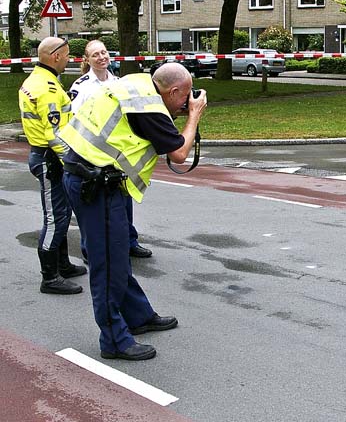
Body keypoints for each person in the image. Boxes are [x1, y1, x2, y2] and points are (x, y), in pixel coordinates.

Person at [59, 63, 207, 361]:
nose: (186, 102)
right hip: (96, 186)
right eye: (185, 97)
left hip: (88, 177)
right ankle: (114, 339)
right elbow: (179, 153)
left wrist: (181, 111)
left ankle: (138, 316)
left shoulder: (138, 83)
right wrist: (194, 116)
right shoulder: (150, 107)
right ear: (174, 91)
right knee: (108, 264)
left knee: (116, 256)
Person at [68, 40, 153, 260]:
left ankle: (129, 241)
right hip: (93, 154)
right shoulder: (82, 86)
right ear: (87, 60)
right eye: (95, 54)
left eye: (104, 52)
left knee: (124, 197)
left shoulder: (118, 82)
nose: (102, 57)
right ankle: (89, 249)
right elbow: (77, 120)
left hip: (117, 151)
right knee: (93, 207)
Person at [18, 37, 86, 295]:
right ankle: (50, 278)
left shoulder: (36, 79)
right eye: (67, 55)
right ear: (56, 56)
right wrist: (75, 161)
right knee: (54, 218)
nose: (69, 59)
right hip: (50, 159)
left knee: (62, 212)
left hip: (47, 156)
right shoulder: (46, 87)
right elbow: (54, 133)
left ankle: (63, 265)